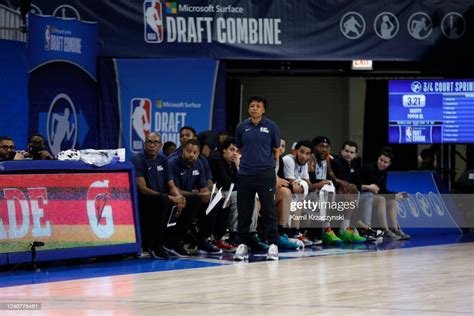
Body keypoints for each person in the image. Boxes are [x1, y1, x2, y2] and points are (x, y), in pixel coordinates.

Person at [234, 96, 281, 261]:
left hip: (265, 173)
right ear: (248, 109)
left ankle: (273, 244)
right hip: (245, 174)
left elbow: (276, 148)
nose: (254, 108)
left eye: (258, 106)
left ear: (263, 110)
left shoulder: (271, 126)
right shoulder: (241, 127)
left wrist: (272, 168)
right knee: (244, 210)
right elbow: (239, 147)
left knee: (268, 210)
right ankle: (243, 244)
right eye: (252, 105)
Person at [130, 132, 186, 259]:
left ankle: (173, 242)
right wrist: (171, 198)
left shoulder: (163, 160)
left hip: (161, 198)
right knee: (163, 200)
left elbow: (171, 185)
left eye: (156, 143)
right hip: (143, 199)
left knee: (191, 201)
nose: (152, 145)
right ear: (145, 144)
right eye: (149, 142)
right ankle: (155, 245)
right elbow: (143, 189)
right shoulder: (137, 159)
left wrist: (179, 198)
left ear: (160, 145)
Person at [167, 139, 219, 255]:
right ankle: (175, 243)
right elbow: (175, 190)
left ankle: (203, 239)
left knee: (214, 200)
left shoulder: (199, 164)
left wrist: (209, 196)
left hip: (189, 199)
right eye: (189, 151)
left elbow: (203, 189)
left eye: (195, 153)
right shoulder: (173, 163)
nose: (191, 155)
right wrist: (200, 195)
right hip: (173, 199)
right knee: (194, 200)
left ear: (198, 154)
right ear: (182, 151)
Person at [360, 147, 410, 240]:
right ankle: (386, 231)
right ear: (378, 158)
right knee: (381, 199)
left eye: (385, 162)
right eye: (381, 160)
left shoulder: (384, 172)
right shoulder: (369, 168)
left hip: (372, 196)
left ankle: (395, 229)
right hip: (362, 195)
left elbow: (382, 189)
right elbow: (376, 191)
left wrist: (396, 194)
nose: (382, 163)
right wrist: (394, 195)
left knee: (393, 202)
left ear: (389, 164)